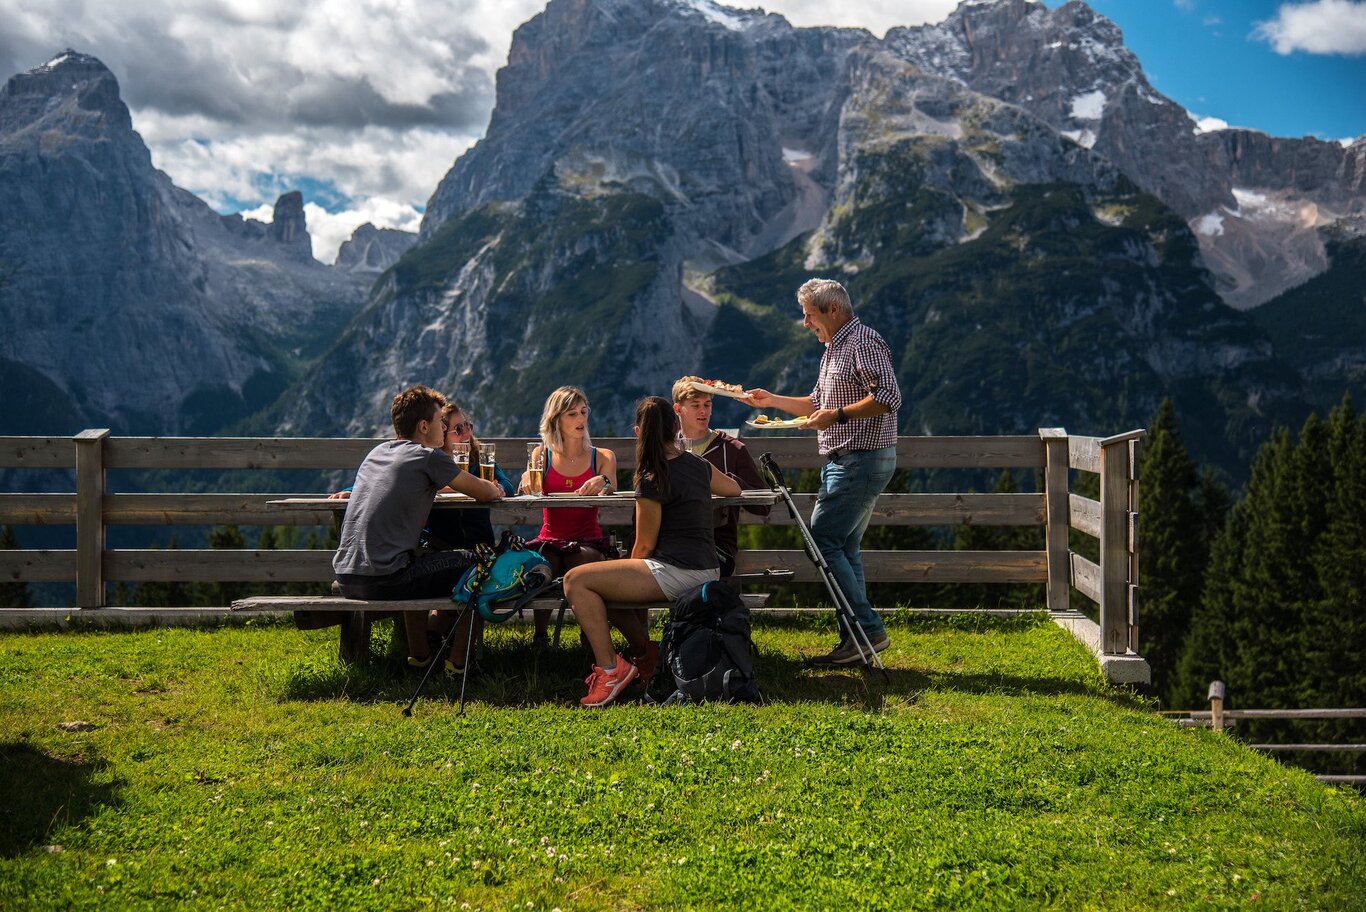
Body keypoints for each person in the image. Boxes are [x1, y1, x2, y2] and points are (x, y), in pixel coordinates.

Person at [746, 278, 901, 665]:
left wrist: (839, 415)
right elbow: (817, 402)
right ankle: (858, 639)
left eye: (809, 314)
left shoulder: (862, 341)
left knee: (821, 542)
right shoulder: (834, 348)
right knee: (844, 546)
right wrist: (772, 400)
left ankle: (866, 629)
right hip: (852, 460)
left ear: (833, 310)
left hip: (859, 459)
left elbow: (888, 397)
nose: (804, 323)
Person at [563, 395, 742, 708]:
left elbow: (644, 546)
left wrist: (623, 576)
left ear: (638, 433)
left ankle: (611, 670)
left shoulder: (651, 478)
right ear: (675, 428)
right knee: (603, 584)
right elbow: (734, 489)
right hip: (708, 568)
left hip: (676, 570)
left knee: (576, 581)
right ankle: (646, 654)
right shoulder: (699, 466)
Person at [331, 385, 503, 671]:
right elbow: (484, 492)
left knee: (422, 557)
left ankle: (421, 657)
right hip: (387, 578)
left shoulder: (377, 452)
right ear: (424, 426)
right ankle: (460, 663)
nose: (444, 427)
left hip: (347, 576)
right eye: (441, 422)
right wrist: (494, 487)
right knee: (484, 562)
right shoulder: (428, 456)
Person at [519, 386, 618, 651]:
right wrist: (526, 477)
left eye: (583, 412)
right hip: (550, 537)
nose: (580, 419)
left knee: (578, 561)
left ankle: (590, 633)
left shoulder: (602, 456)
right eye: (572, 414)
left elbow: (612, 484)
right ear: (557, 419)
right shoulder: (542, 455)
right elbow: (529, 480)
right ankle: (540, 637)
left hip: (588, 540)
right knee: (542, 562)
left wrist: (604, 480)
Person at [671, 376, 769, 578]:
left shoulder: (732, 449)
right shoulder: (667, 449)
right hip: (672, 541)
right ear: (678, 409)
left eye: (707, 404)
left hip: (717, 546)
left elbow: (763, 505)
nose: (703, 411)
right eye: (696, 405)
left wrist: (726, 482)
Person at [422, 401, 517, 551]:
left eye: (467, 426)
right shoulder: (433, 461)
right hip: (441, 549)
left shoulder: (479, 458)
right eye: (459, 429)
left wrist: (500, 488)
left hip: (482, 547)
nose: (467, 433)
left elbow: (508, 486)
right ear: (442, 433)